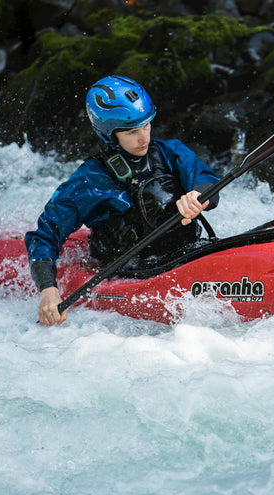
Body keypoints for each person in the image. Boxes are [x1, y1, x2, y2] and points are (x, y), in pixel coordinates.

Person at [25, 75, 220, 326]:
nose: (144, 138)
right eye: (131, 131)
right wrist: (48, 289)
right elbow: (45, 234)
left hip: (186, 254)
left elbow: (207, 180)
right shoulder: (90, 180)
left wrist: (198, 196)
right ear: (109, 134)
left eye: (147, 125)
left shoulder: (171, 152)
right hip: (131, 273)